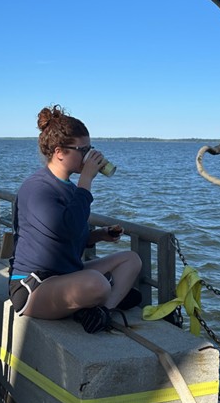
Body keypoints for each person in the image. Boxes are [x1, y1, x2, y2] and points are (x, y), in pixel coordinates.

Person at [9, 105, 142, 333]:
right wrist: (87, 180)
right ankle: (98, 300)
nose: (89, 156)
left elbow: (67, 237)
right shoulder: (37, 189)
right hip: (34, 286)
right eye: (83, 150)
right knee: (97, 284)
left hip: (68, 274)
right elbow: (67, 229)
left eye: (91, 148)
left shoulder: (70, 188)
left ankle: (100, 312)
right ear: (60, 152)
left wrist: (98, 236)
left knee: (132, 260)